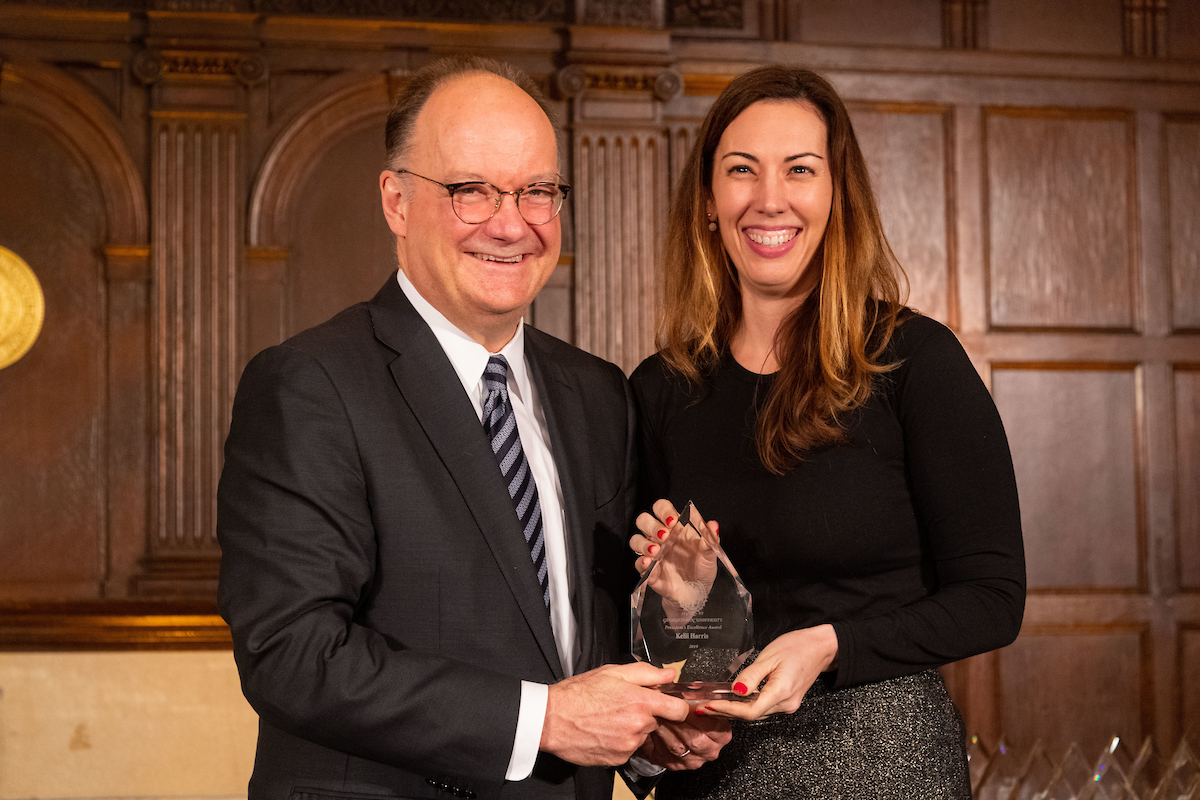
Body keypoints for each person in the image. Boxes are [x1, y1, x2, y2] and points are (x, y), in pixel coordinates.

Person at [217, 56, 729, 800]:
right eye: (471, 191)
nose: (511, 224)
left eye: (537, 192)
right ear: (396, 201)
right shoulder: (309, 385)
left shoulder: (598, 394)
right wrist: (543, 721)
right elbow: (292, 653)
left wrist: (653, 727)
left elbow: (580, 645)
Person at [627, 65, 1026, 798]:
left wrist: (832, 645)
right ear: (709, 201)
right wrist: (673, 598)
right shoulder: (660, 387)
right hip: (713, 768)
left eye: (800, 170)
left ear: (838, 196)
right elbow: (648, 621)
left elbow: (994, 598)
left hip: (882, 759)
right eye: (741, 169)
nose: (769, 198)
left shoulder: (914, 360)